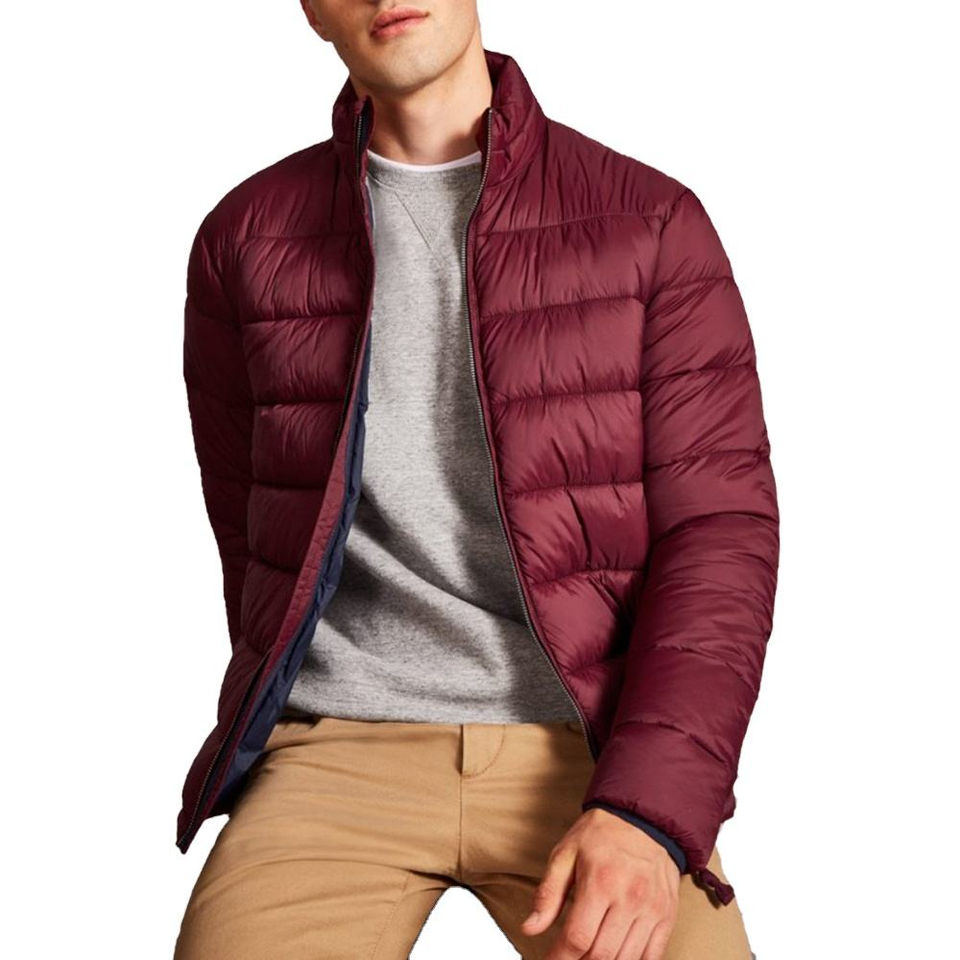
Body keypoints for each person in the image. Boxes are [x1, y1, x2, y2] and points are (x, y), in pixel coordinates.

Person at [172, 3, 779, 958]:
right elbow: (251, 530)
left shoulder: (651, 222)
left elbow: (720, 540)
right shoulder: (246, 239)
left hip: (590, 750)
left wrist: (648, 813)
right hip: (335, 748)